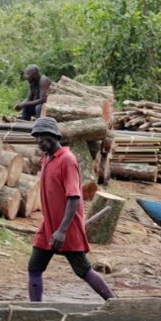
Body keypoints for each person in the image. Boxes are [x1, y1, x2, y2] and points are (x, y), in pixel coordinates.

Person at [27, 117, 116, 302]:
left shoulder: (67, 159)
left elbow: (74, 197)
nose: (38, 142)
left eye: (41, 137)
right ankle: (34, 310)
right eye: (36, 137)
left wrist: (62, 230)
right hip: (48, 225)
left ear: (52, 136)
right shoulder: (46, 159)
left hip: (66, 227)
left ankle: (113, 302)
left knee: (83, 270)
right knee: (34, 268)